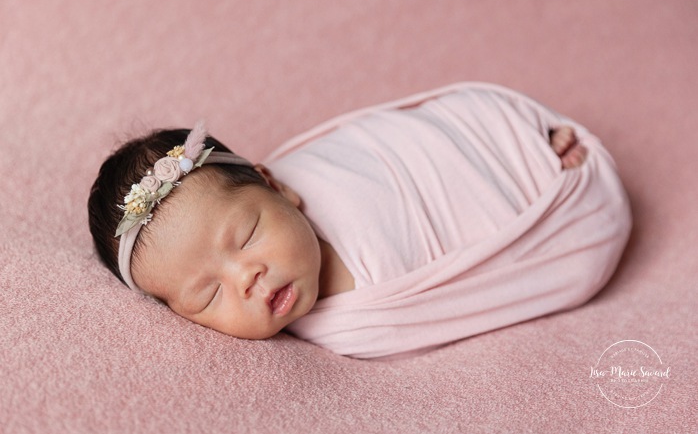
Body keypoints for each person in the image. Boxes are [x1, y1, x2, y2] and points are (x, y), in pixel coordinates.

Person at [88, 82, 631, 359]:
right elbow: (473, 292)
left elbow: (413, 143)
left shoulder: (310, 168)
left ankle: (538, 152)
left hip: (486, 149)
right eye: (208, 296)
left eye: (248, 234)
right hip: (542, 220)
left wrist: (513, 145)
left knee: (517, 136)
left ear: (275, 185)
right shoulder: (352, 324)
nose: (246, 279)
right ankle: (553, 188)